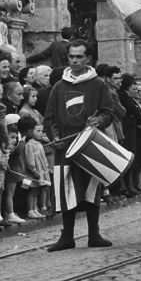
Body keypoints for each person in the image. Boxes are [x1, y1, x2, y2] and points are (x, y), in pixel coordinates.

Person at [42, 39, 116, 250]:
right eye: (71, 56)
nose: (74, 60)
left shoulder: (98, 84)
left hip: (89, 144)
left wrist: (99, 120)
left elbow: (108, 112)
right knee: (66, 188)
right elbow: (49, 117)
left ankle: (94, 234)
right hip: (65, 146)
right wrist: (55, 137)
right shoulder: (59, 86)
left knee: (92, 187)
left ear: (88, 58)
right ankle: (67, 236)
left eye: (79, 56)